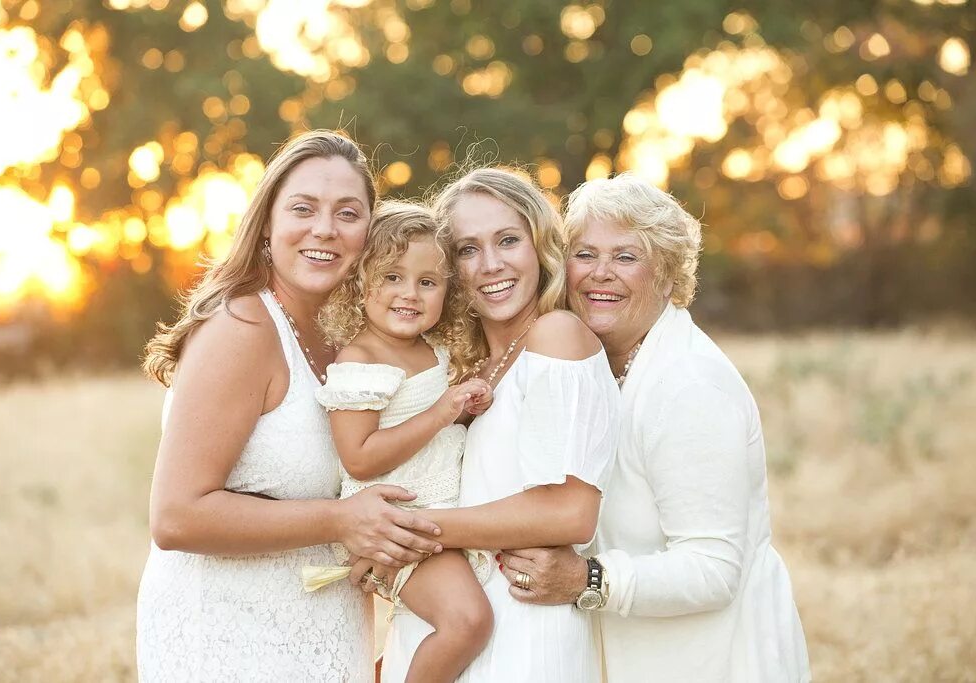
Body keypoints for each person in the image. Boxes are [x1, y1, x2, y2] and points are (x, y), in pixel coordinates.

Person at [135, 130, 443, 681]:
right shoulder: (244, 327)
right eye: (303, 209)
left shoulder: (352, 340)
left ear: (369, 233)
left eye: (347, 213)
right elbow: (176, 516)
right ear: (268, 223)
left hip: (325, 634)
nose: (324, 229)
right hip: (232, 641)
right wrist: (342, 520)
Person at [497, 172, 811, 682]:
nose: (600, 273)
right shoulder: (594, 367)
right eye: (584, 254)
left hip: (714, 661)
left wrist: (587, 579)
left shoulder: (689, 385)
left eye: (626, 257)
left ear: (668, 274)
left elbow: (713, 568)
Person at [357, 167, 620, 683]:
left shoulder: (557, 335)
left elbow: (570, 513)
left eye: (507, 241)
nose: (491, 264)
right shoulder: (466, 372)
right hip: (448, 629)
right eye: (467, 249)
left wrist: (401, 535)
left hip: (524, 638)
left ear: (539, 246)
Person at [312, 200, 494, 683]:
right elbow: (360, 457)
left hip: (437, 518)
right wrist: (441, 413)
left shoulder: (433, 352)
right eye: (392, 277)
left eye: (427, 282)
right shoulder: (362, 359)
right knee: (467, 623)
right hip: (396, 529)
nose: (409, 293)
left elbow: (434, 432)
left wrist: (463, 412)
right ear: (360, 283)